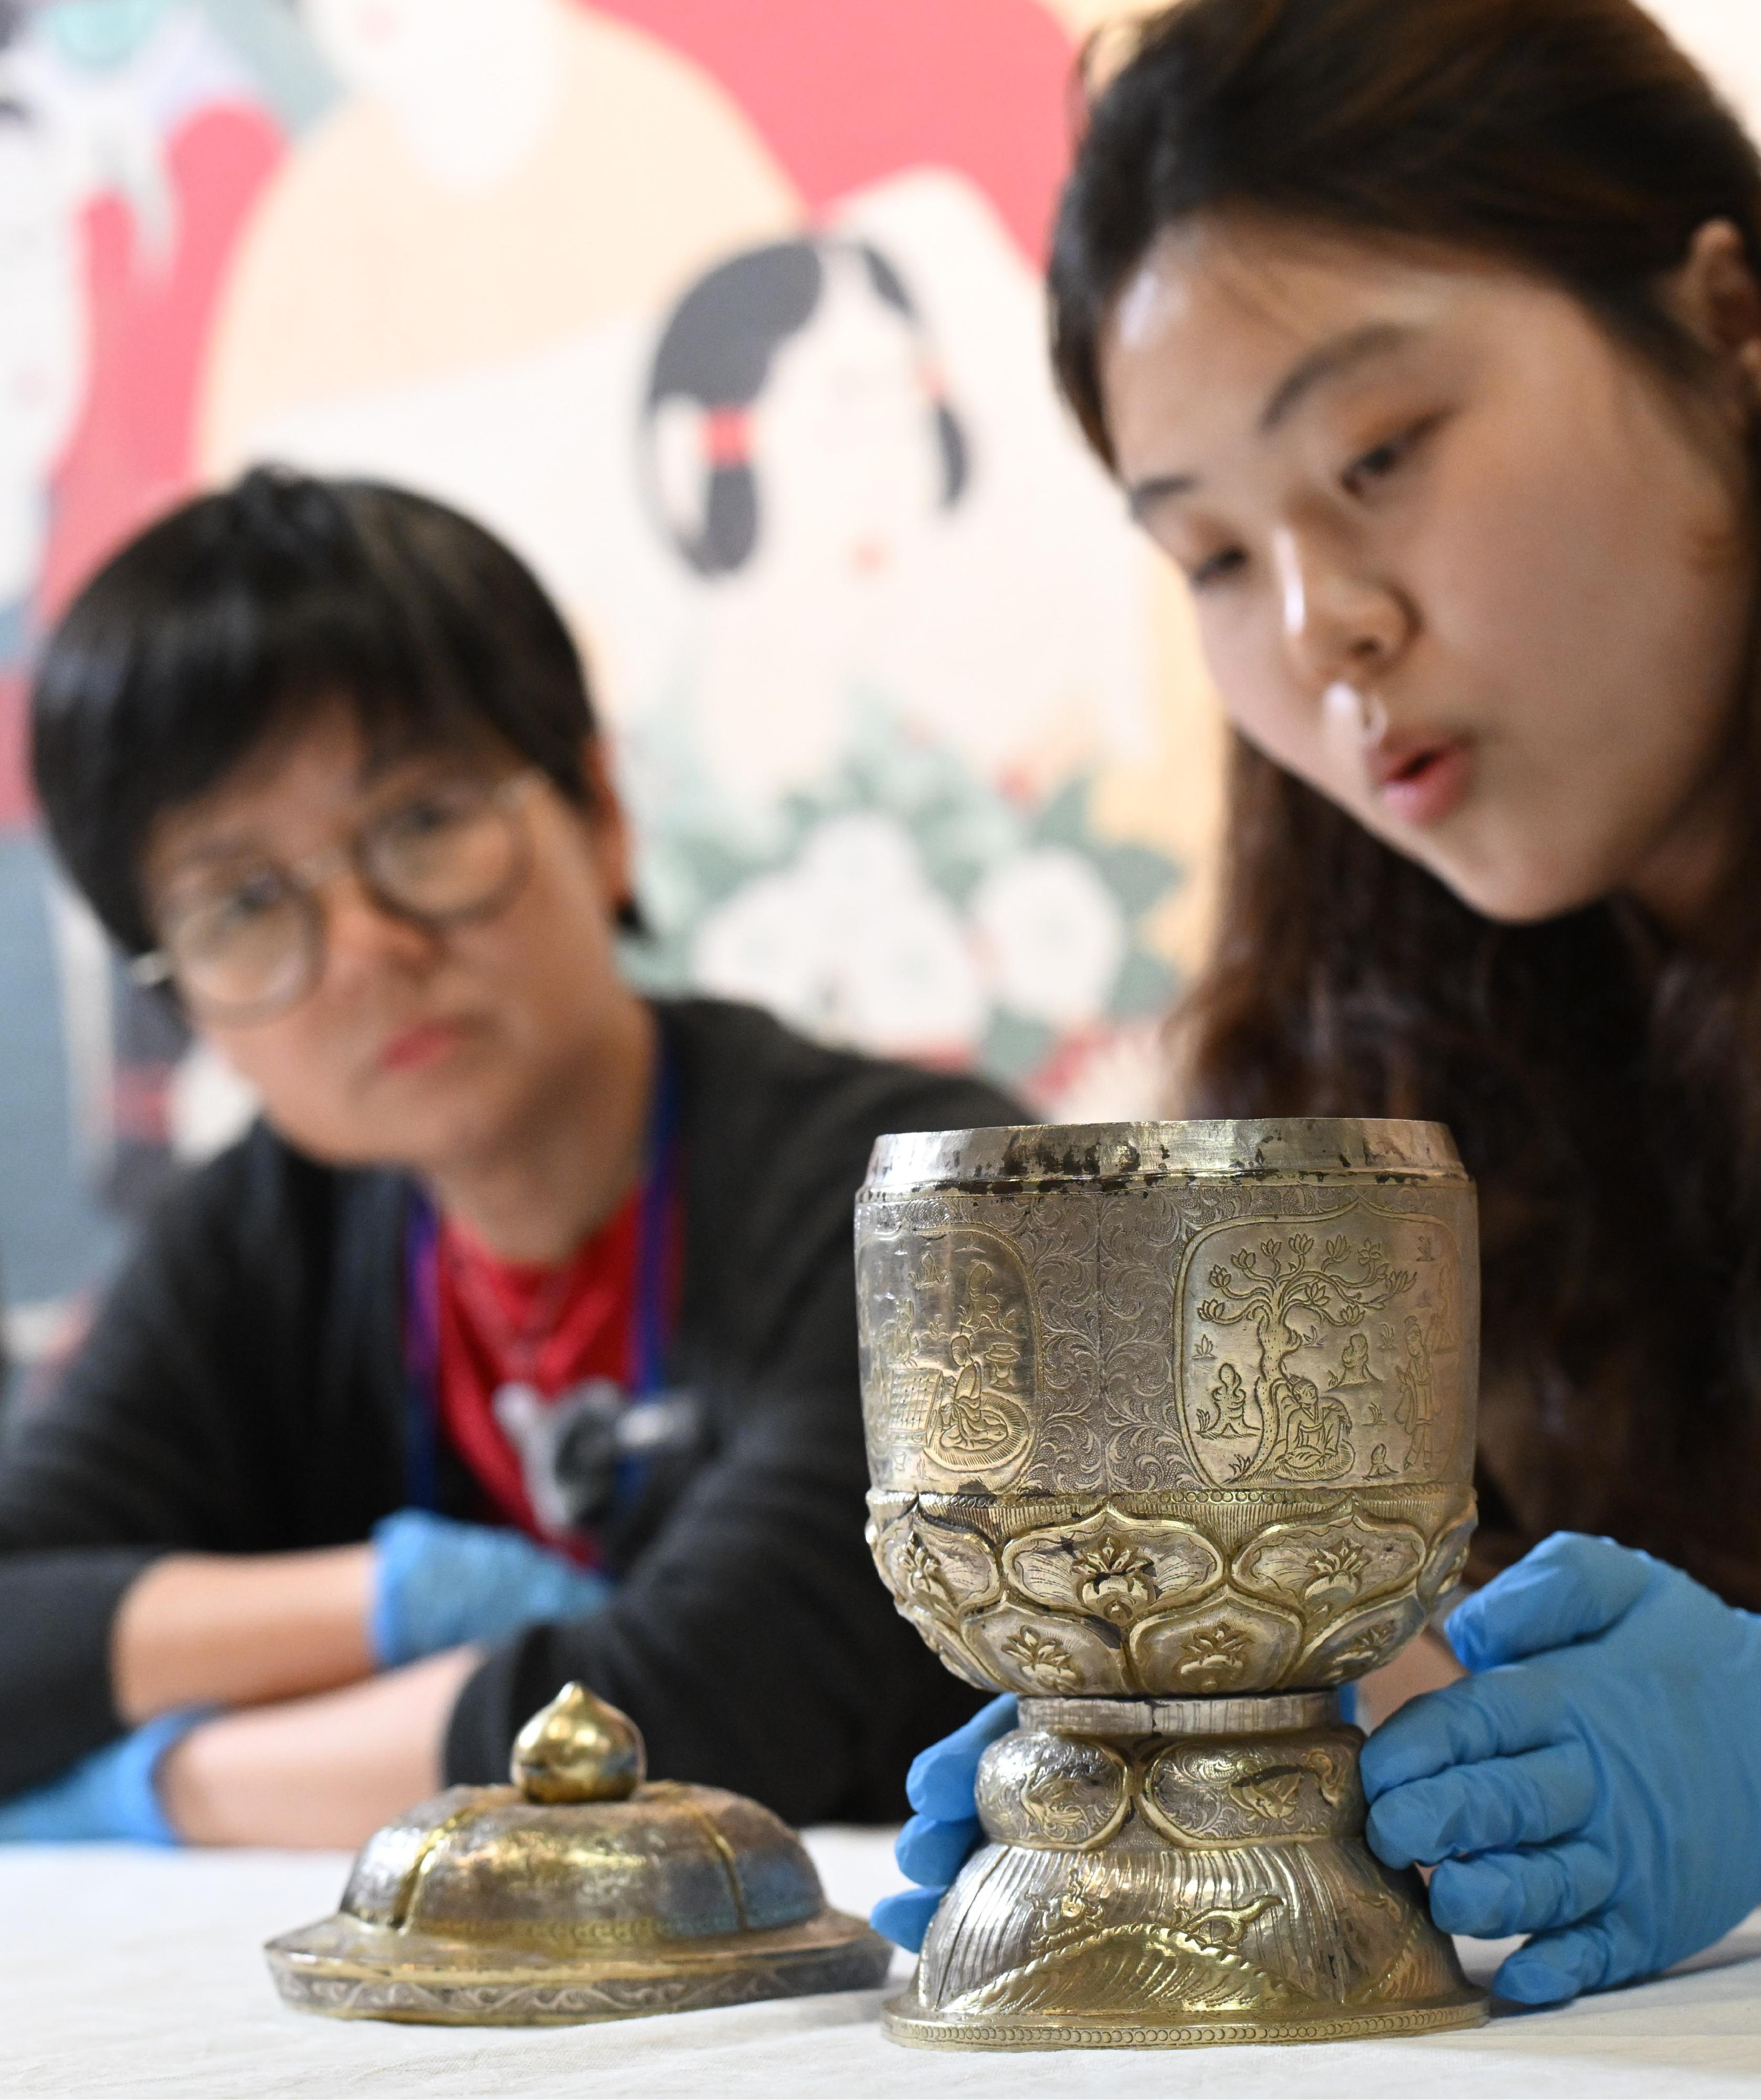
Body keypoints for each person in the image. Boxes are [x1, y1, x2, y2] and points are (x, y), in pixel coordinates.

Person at [872, 0, 1761, 2007]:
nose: (1324, 628)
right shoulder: (1402, 1013)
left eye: (1382, 455)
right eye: (1214, 555)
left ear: (1721, 324)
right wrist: (1262, 1714)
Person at [0, 466, 1016, 1847]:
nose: (366, 949)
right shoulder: (260, 1234)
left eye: (422, 824)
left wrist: (159, 1786)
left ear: (599, 812)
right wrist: (385, 1600)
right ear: (182, 1001)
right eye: (242, 905)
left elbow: (704, 1713)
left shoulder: (930, 1200)